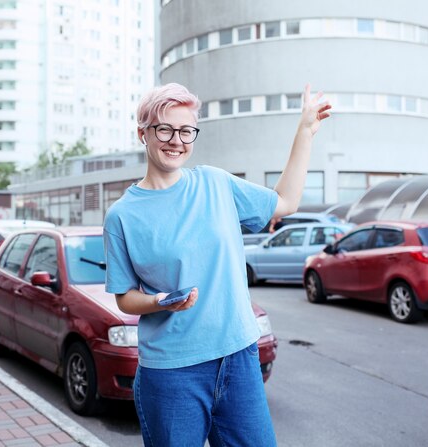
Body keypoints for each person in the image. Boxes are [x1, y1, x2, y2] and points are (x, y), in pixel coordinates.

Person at [103, 82, 331, 446]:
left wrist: (304, 131)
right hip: (172, 371)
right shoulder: (122, 216)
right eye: (164, 128)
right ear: (142, 133)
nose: (176, 139)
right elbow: (125, 297)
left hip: (238, 357)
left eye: (186, 130)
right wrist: (161, 301)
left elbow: (285, 202)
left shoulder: (215, 183)